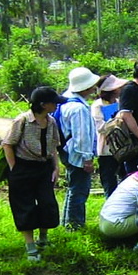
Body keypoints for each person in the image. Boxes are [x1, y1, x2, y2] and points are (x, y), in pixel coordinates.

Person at [3, 86, 63, 262]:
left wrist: (56, 167)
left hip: (43, 167)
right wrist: (15, 168)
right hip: (23, 167)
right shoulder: (22, 121)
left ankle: (43, 239)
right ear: (44, 104)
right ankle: (30, 246)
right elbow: (8, 144)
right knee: (24, 206)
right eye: (53, 103)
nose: (56, 106)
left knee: (47, 203)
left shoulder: (51, 121)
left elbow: (53, 146)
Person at [59, 67, 101, 230]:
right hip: (77, 154)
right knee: (79, 190)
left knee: (73, 188)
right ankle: (75, 225)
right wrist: (87, 159)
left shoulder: (65, 101)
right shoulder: (78, 109)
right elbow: (81, 136)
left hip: (66, 151)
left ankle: (67, 222)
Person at [91, 74, 127, 196]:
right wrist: (118, 120)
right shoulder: (98, 105)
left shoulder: (119, 102)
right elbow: (101, 127)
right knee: (109, 183)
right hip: (107, 150)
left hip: (122, 148)